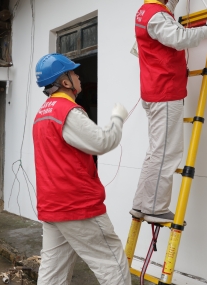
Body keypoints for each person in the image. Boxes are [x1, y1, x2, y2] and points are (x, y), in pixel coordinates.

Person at [131, 0, 207, 224]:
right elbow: (179, 38)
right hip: (165, 92)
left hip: (154, 92)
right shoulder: (156, 17)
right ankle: (154, 208)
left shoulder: (147, 12)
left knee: (155, 152)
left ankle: (141, 204)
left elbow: (167, 10)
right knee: (166, 153)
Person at [32, 53, 131, 285]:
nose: (78, 76)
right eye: (74, 72)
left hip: (52, 206)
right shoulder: (67, 110)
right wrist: (117, 119)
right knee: (112, 265)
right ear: (65, 82)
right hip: (78, 206)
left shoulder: (42, 114)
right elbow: (102, 142)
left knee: (52, 273)